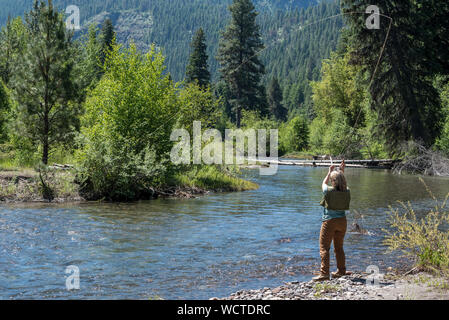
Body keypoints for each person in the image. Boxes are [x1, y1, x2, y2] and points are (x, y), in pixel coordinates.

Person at [313, 160, 350, 281]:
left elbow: (323, 183)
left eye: (332, 180)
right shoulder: (347, 191)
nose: (331, 181)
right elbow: (342, 182)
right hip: (342, 222)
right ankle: (341, 271)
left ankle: (324, 274)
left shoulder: (327, 190)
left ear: (333, 182)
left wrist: (329, 173)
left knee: (324, 248)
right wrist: (340, 171)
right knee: (339, 247)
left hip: (329, 222)